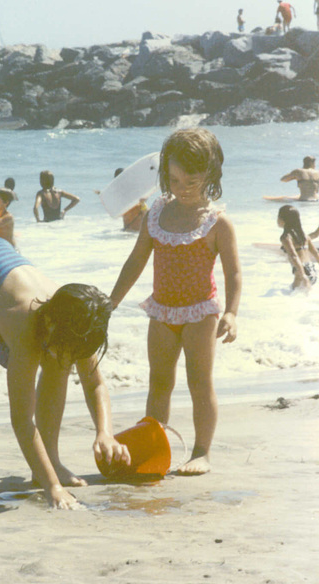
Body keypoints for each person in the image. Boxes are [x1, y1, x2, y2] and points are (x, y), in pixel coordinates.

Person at [0, 236, 131, 509]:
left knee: (58, 363)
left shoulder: (82, 317)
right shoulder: (23, 320)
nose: (69, 356)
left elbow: (94, 383)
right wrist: (53, 489)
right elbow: (21, 420)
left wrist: (105, 432)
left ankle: (50, 463)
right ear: (48, 322)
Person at [110, 128, 242, 476]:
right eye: (174, 179)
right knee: (159, 383)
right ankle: (156, 446)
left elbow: (234, 274)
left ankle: (201, 452)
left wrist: (230, 312)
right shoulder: (156, 213)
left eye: (191, 181)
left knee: (200, 383)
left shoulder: (216, 222)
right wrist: (111, 301)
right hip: (161, 311)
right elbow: (136, 261)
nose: (181, 188)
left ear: (210, 176)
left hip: (201, 313)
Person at [278, 205, 319, 288]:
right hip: (312, 271)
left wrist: (303, 275)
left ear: (283, 220)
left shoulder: (286, 237)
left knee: (292, 296)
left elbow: (294, 256)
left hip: (301, 274)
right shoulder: (304, 236)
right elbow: (315, 253)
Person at [95, 168, 148, 232]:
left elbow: (144, 197)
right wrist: (102, 194)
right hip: (130, 215)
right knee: (130, 230)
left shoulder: (130, 186)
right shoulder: (118, 189)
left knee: (134, 230)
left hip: (138, 213)